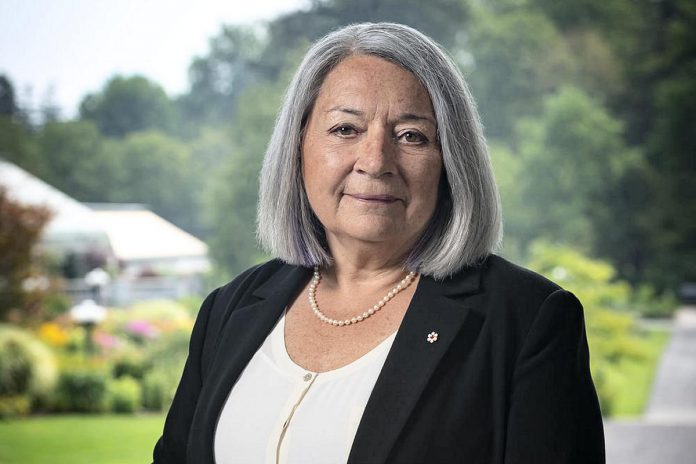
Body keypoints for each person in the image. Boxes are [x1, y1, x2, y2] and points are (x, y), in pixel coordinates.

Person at [153, 22, 605, 464]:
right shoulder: (229, 310)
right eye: (345, 129)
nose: (375, 161)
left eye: (412, 136)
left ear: (452, 162)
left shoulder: (527, 320)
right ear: (298, 147)